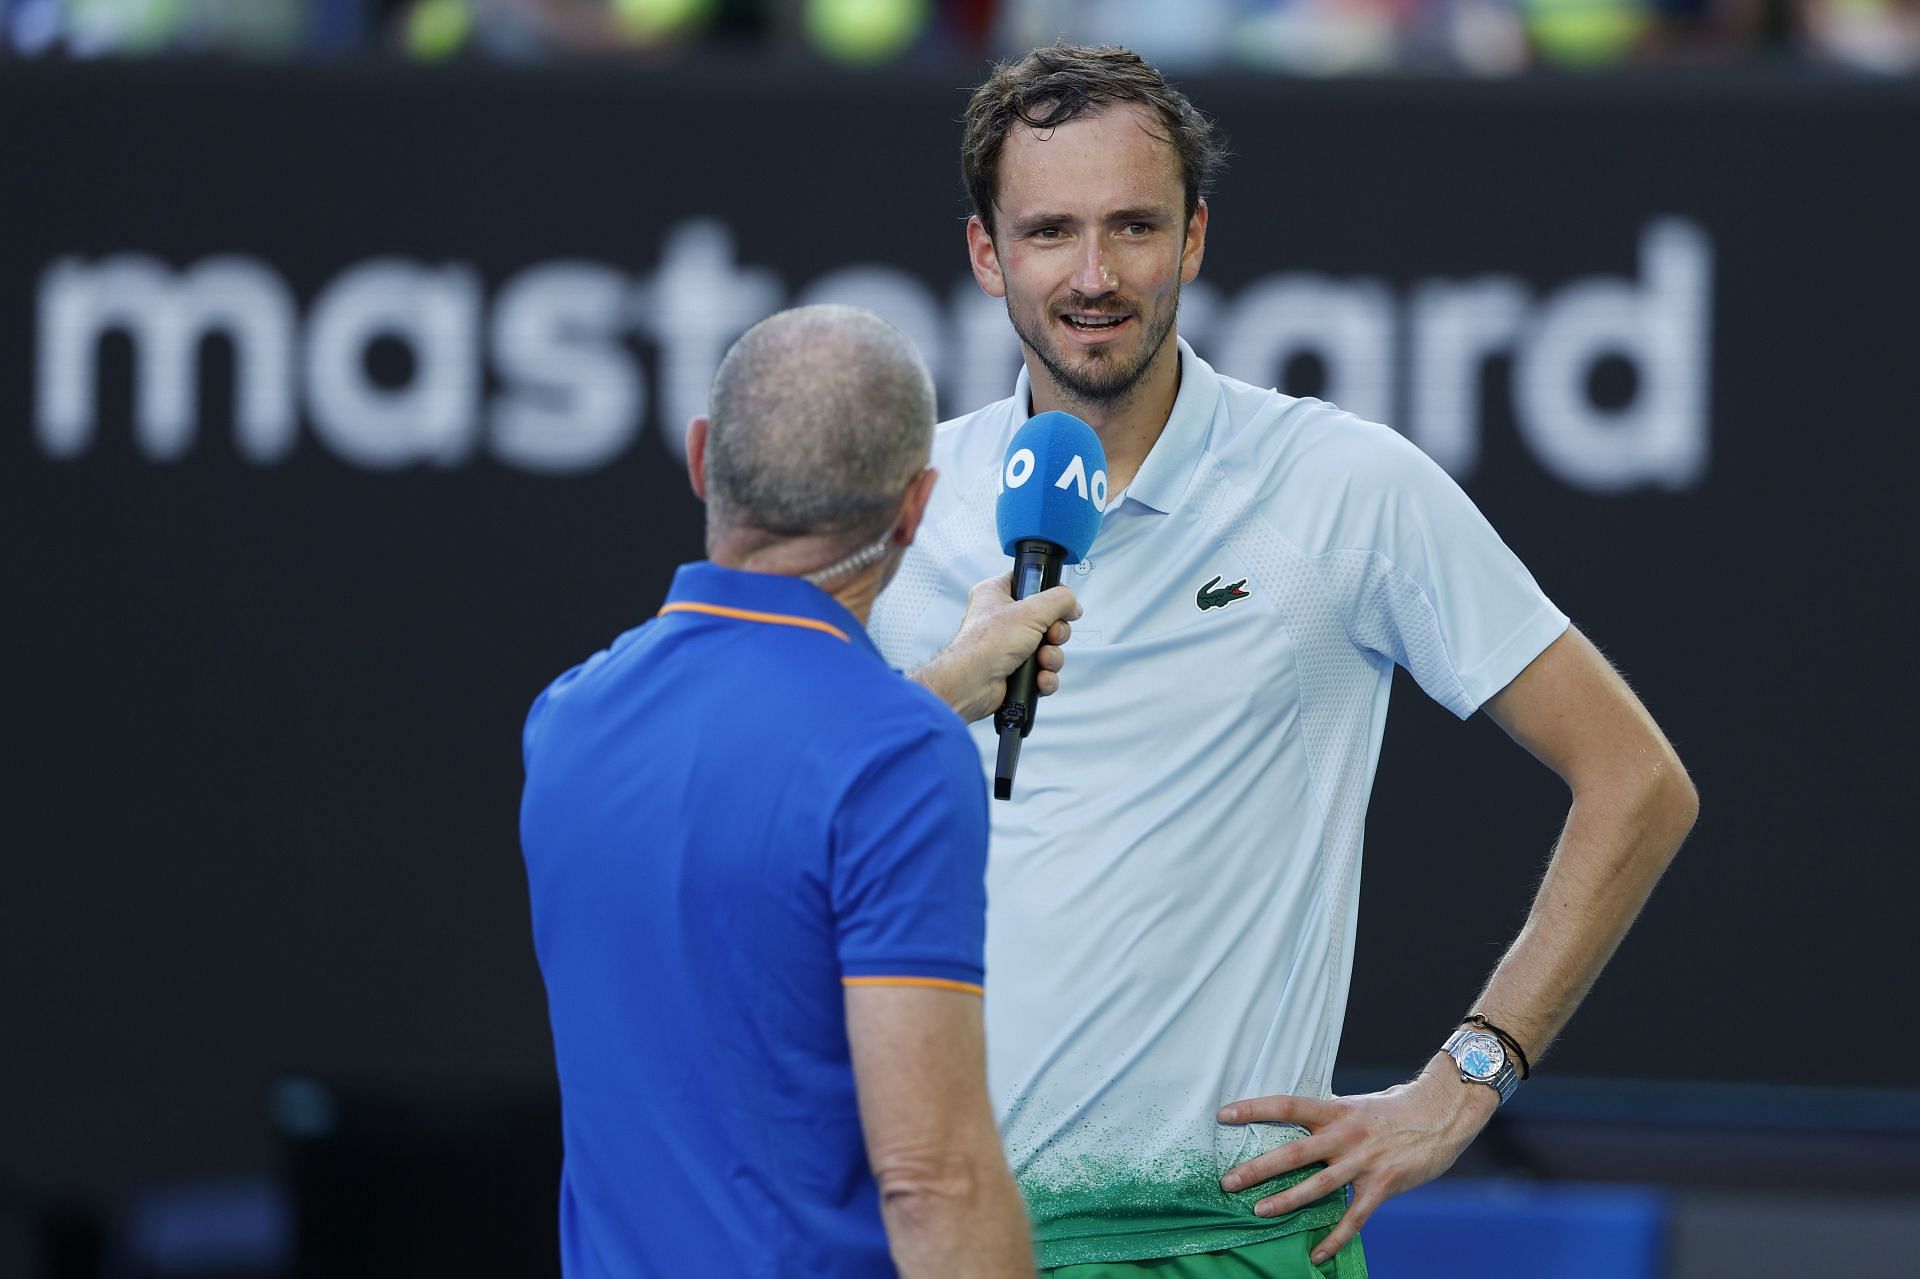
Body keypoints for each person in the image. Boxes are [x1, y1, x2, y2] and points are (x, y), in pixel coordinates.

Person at [869, 44, 1700, 1277]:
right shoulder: (904, 504)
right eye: (1050, 232)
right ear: (988, 255)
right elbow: (780, 833)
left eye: (1134, 227)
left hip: (1228, 1245)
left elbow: (1638, 778)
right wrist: (939, 694)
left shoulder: (1344, 485)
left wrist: (1466, 1078)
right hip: (929, 1242)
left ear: (1194, 239)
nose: (1094, 277)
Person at [519, 304, 1081, 1278]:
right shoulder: (896, 760)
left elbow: (765, 773)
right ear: (916, 506)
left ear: (701, 459)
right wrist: (921, 721)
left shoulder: (567, 718)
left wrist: (942, 685)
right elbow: (933, 1180)